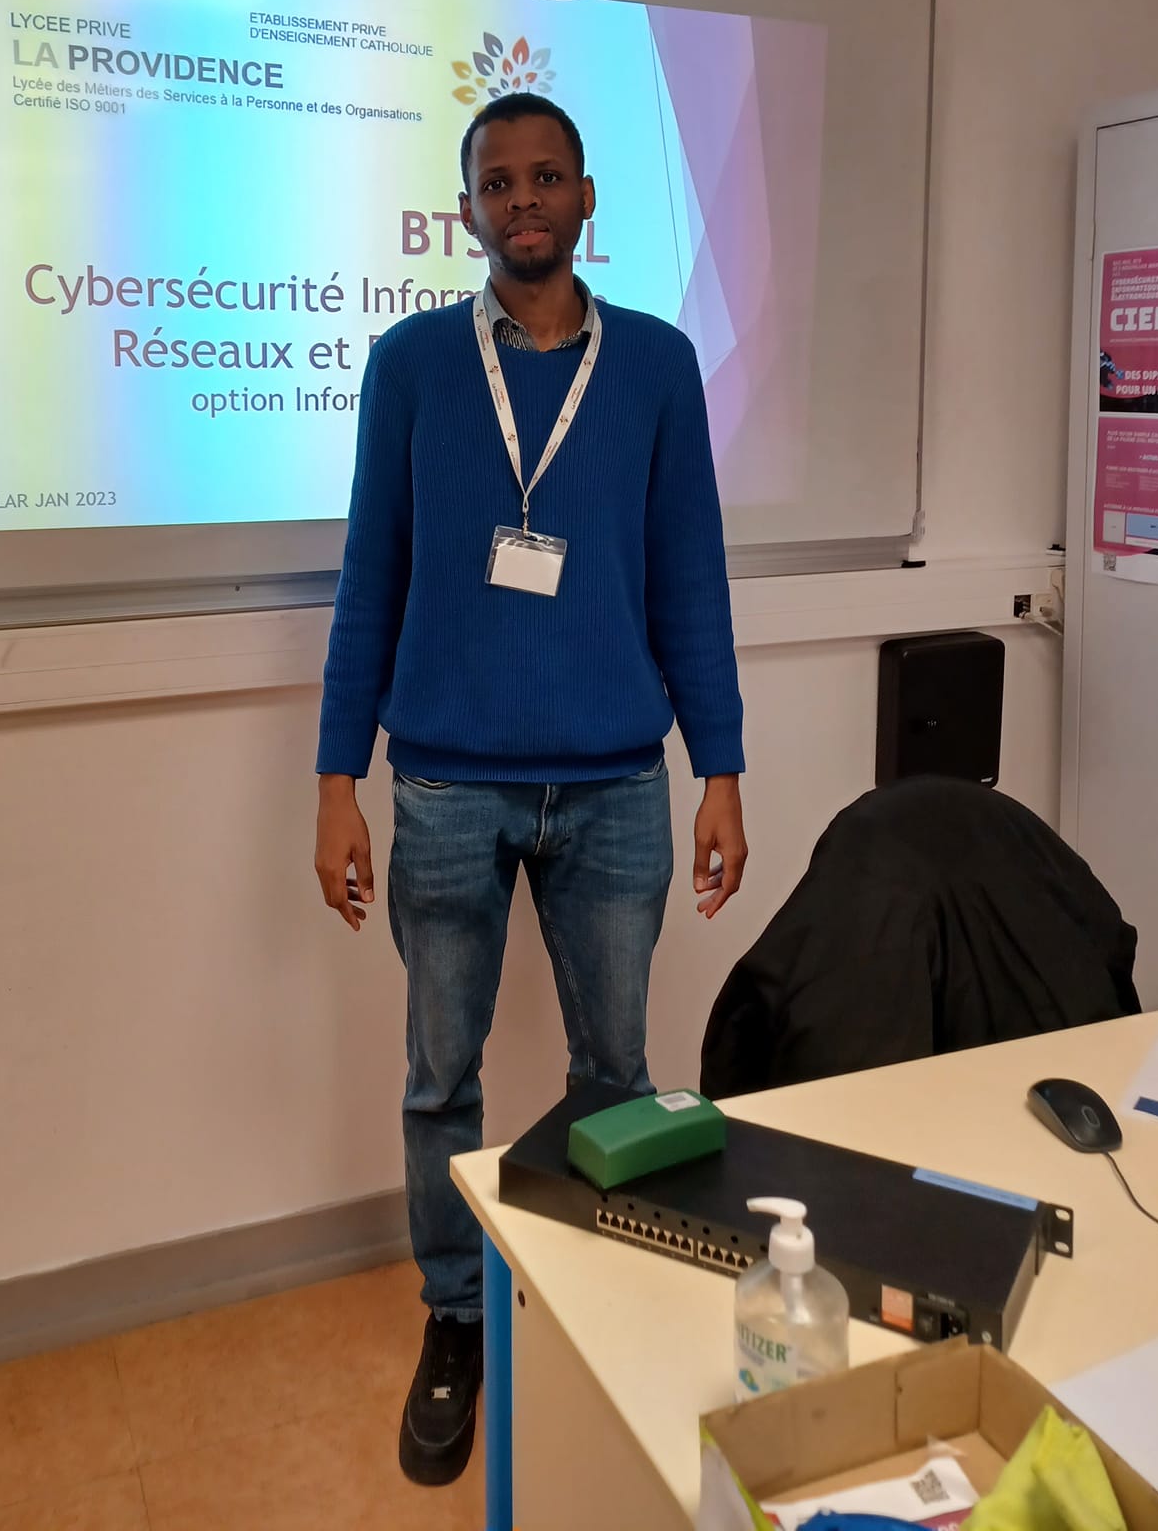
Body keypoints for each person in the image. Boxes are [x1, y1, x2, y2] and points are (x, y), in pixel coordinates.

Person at [314, 94, 748, 1487]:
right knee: (442, 1078)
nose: (523, 200)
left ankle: (595, 1303)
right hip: (445, 785)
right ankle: (458, 1319)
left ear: (586, 197)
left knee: (615, 1075)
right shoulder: (412, 366)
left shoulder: (659, 365)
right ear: (466, 211)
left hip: (617, 784)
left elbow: (690, 579)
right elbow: (371, 579)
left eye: (546, 176)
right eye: (496, 182)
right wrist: (337, 780)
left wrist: (720, 769)